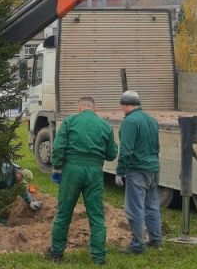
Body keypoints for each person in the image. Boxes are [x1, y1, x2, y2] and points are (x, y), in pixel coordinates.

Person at [47, 96, 118, 265]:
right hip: (94, 172)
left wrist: (57, 167)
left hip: (72, 171)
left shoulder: (70, 121)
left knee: (64, 213)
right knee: (96, 216)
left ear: (79, 108)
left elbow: (58, 146)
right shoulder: (105, 126)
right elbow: (111, 154)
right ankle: (99, 258)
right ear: (94, 108)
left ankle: (56, 253)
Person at [116, 90, 162, 254]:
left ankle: (137, 245)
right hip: (154, 168)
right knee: (152, 206)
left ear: (124, 104)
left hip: (138, 169)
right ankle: (156, 240)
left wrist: (120, 171)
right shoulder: (151, 120)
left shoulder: (130, 122)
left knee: (134, 208)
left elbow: (126, 150)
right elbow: (157, 147)